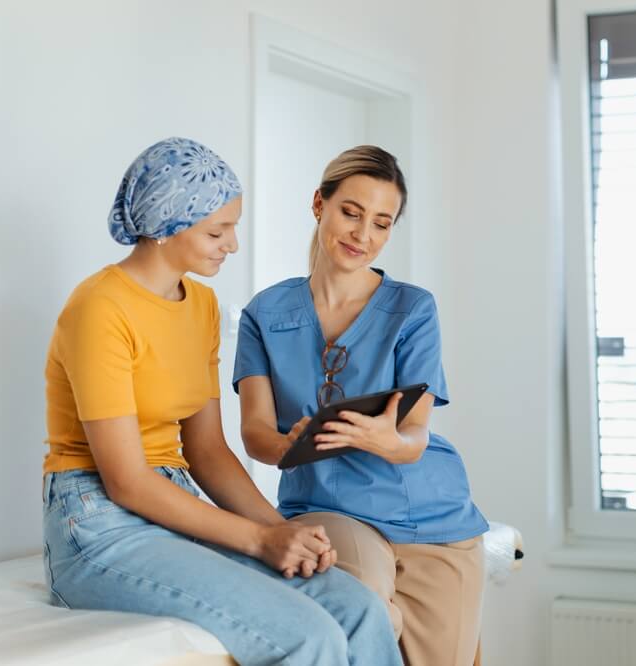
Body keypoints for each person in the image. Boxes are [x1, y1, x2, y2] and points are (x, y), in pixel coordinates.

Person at [42, 137, 402, 666]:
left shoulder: (202, 306)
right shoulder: (100, 308)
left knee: (358, 607)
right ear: (166, 227)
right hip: (96, 522)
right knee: (309, 636)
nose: (231, 245)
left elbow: (207, 450)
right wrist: (259, 540)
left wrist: (282, 531)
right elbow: (126, 480)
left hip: (171, 500)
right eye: (217, 230)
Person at [234, 145, 488, 666]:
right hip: (331, 508)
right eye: (350, 212)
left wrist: (384, 440)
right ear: (318, 204)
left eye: (381, 223)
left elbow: (415, 436)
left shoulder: (412, 308)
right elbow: (255, 432)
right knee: (360, 609)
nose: (362, 235)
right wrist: (291, 444)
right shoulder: (265, 313)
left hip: (435, 517)